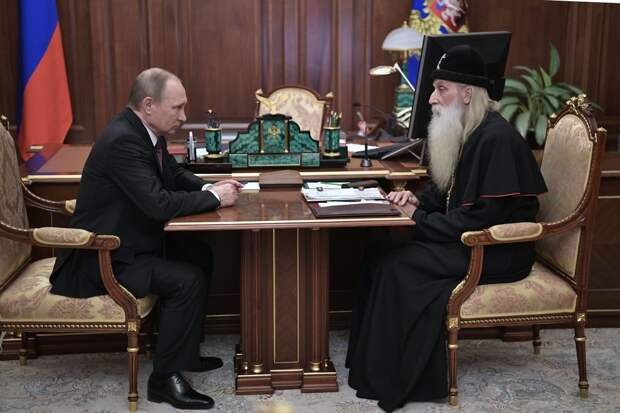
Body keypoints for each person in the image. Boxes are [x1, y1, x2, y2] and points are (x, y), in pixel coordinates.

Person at [346, 45, 548, 412]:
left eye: (442, 89)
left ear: (467, 94)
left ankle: (399, 377)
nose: (432, 99)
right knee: (380, 251)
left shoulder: (497, 139)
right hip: (470, 240)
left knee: (399, 265)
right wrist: (415, 202)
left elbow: (482, 220)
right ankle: (370, 368)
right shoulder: (469, 130)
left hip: (497, 249)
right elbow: (446, 192)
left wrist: (419, 220)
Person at [50, 68, 243, 410]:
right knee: (186, 279)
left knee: (199, 253)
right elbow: (157, 204)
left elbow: (173, 173)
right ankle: (163, 381)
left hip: (130, 242)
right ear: (149, 104)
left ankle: (184, 354)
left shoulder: (145, 132)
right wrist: (215, 198)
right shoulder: (123, 141)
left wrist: (207, 187)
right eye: (177, 108)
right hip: (102, 256)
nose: (183, 116)